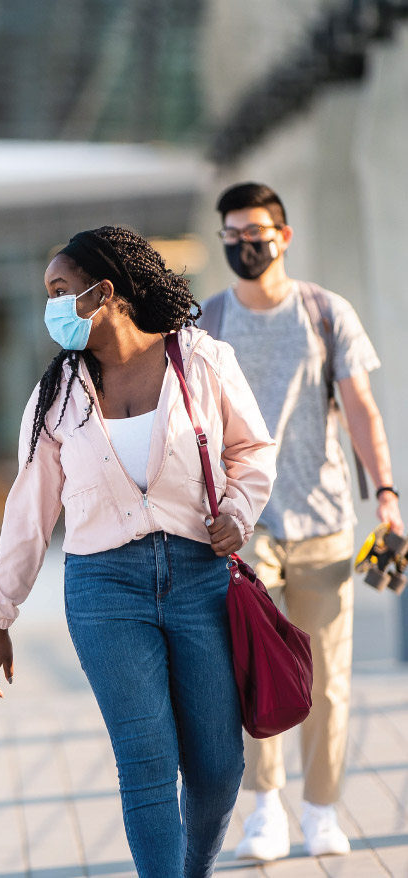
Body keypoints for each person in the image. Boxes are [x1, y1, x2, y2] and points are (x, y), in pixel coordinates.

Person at [0, 226, 276, 878]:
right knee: (144, 760)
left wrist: (238, 512)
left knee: (218, 767)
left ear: (104, 291)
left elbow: (252, 450)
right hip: (104, 589)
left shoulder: (201, 360)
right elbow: (30, 512)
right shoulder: (56, 394)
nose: (51, 306)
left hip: (201, 576)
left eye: (61, 291)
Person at [200, 182, 404, 861]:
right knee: (252, 670)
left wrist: (386, 495)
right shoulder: (211, 322)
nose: (243, 246)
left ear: (283, 236)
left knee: (326, 676)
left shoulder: (324, 312)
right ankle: (266, 811)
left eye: (254, 233)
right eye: (230, 236)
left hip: (321, 518)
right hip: (242, 527)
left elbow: (364, 410)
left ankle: (319, 809)